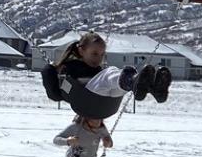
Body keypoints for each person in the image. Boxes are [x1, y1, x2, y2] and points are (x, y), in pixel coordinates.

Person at [42, 32, 171, 112]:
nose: (98, 58)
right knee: (110, 72)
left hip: (107, 105)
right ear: (81, 51)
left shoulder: (97, 70)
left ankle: (151, 88)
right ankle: (132, 80)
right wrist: (49, 70)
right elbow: (55, 95)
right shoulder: (69, 67)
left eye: (102, 54)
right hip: (85, 100)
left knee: (116, 83)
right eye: (94, 54)